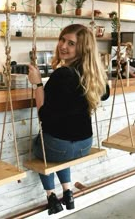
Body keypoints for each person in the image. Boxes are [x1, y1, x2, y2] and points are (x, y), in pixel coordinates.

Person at [28, 24, 110, 215]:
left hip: (59, 147)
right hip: (84, 145)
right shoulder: (92, 73)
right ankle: (68, 191)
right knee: (59, 150)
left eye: (71, 43)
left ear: (82, 48)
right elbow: (105, 94)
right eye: (62, 39)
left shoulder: (63, 74)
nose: (63, 46)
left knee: (39, 146)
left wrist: (38, 82)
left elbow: (43, 115)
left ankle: (51, 196)